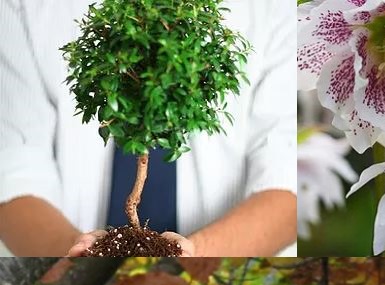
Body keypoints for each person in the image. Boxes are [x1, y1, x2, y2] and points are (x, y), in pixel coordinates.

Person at [0, 0, 297, 256]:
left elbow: (287, 176)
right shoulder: (26, 7)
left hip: (224, 263)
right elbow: (14, 168)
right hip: (67, 257)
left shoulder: (273, 10)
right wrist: (77, 254)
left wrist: (197, 254)